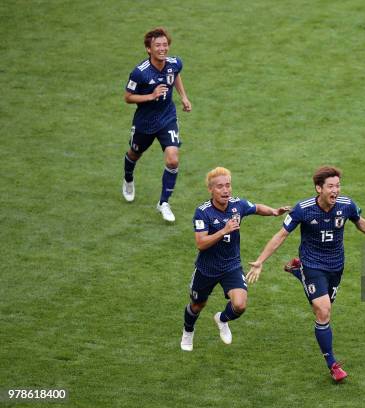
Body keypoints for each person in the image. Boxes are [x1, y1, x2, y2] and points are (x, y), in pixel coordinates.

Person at [246, 166, 365, 382]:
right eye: (331, 186)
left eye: (338, 185)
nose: (336, 190)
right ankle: (332, 364)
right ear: (319, 188)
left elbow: (359, 221)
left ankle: (297, 272)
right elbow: (281, 236)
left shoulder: (346, 205)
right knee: (323, 311)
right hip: (312, 263)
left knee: (325, 305)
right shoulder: (303, 209)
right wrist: (260, 261)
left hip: (336, 265)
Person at [181, 167, 290, 351]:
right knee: (197, 305)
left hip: (231, 265)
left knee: (239, 305)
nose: (225, 190)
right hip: (206, 268)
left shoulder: (237, 205)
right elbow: (200, 243)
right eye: (220, 187)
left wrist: (273, 211)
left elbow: (255, 208)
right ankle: (188, 331)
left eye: (228, 185)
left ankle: (222, 319)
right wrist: (223, 231)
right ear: (211, 190)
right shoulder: (203, 212)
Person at [122, 27, 192, 222]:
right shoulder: (140, 73)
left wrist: (184, 97)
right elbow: (128, 97)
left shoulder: (174, 63)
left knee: (172, 160)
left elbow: (175, 75)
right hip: (145, 122)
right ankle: (128, 178)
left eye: (165, 44)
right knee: (134, 153)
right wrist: (151, 96)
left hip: (167, 118)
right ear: (148, 49)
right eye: (157, 45)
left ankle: (164, 203)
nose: (162, 48)